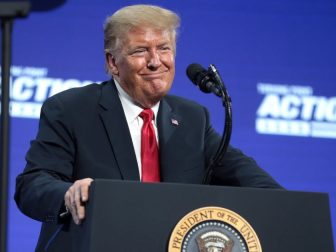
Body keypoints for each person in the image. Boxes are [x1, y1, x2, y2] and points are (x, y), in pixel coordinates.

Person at [14, 4, 282, 251]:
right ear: (112, 63)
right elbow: (32, 186)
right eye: (140, 51)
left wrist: (289, 209)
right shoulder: (71, 109)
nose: (156, 61)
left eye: (164, 48)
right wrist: (68, 194)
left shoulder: (192, 118)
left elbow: (255, 183)